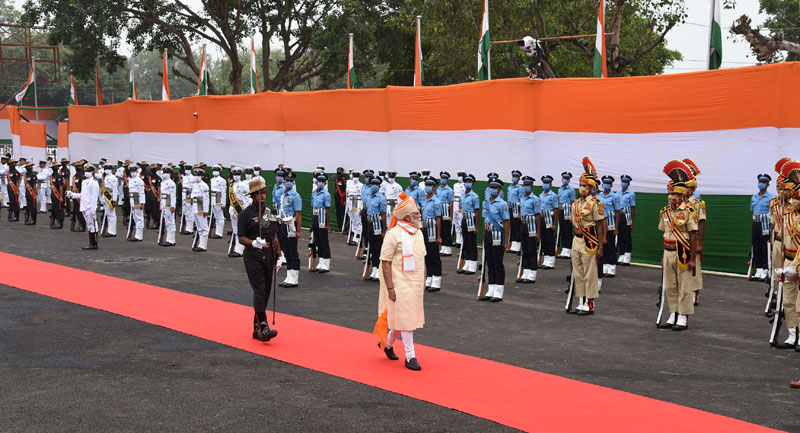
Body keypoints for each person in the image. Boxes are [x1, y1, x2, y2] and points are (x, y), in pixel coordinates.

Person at [378, 191, 426, 371]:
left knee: (404, 319)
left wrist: (424, 281)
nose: (419, 216)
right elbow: (385, 262)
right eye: (416, 213)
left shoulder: (418, 233)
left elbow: (422, 259)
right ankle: (410, 356)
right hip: (399, 284)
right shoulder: (393, 234)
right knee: (406, 320)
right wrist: (390, 288)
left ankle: (387, 344)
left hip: (415, 283)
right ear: (407, 216)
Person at [238, 178, 281, 342]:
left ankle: (257, 329)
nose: (263, 195)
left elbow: (274, 234)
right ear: (252, 196)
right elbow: (241, 237)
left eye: (264, 193)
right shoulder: (245, 214)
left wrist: (280, 254)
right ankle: (263, 326)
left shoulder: (270, 212)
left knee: (266, 291)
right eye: (259, 193)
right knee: (260, 290)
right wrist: (253, 243)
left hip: (269, 254)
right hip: (253, 255)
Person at [658, 160, 699, 331]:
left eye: (675, 193)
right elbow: (663, 233)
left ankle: (683, 315)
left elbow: (693, 236)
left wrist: (693, 258)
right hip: (668, 252)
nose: (672, 196)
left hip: (682, 252)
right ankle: (673, 313)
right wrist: (663, 256)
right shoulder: (665, 212)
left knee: (684, 286)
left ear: (682, 195)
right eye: (670, 193)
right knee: (670, 285)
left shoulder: (689, 212)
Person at [570, 158, 605, 316]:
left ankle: (590, 303)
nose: (582, 188)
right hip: (576, 240)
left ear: (591, 188)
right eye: (581, 185)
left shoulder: (596, 203)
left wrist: (601, 246)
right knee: (578, 273)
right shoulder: (576, 204)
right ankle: (581, 301)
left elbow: (599, 226)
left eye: (585, 186)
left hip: (589, 240)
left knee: (589, 274)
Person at [480, 176, 511, 302]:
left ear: (499, 190)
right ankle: (491, 289)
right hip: (488, 234)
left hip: (498, 235)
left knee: (498, 264)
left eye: (495, 187)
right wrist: (483, 237)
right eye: (491, 187)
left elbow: (507, 223)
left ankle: (498, 292)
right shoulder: (485, 202)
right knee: (490, 264)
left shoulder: (502, 204)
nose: (492, 189)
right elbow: (484, 220)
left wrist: (507, 241)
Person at [683, 159, 706, 306]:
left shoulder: (698, 203)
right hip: (680, 239)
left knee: (694, 267)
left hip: (693, 238)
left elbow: (702, 223)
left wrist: (699, 243)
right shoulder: (678, 202)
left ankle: (694, 294)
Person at [67, 163, 101, 250]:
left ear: (92, 172)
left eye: (88, 171)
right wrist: (73, 194)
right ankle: (91, 243)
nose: (86, 172)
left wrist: (93, 209)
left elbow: (94, 197)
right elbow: (83, 195)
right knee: (89, 225)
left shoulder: (94, 183)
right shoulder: (84, 182)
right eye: (85, 171)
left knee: (92, 225)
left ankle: (94, 243)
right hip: (84, 206)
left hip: (90, 207)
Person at [277, 171, 302, 288]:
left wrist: (298, 230)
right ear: (284, 181)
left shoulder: (295, 196)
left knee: (292, 251)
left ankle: (294, 278)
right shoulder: (283, 195)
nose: (289, 183)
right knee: (286, 251)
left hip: (291, 225)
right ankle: (289, 276)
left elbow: (298, 214)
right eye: (287, 180)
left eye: (291, 181)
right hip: (282, 225)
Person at [751, 174, 775, 282]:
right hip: (756, 223)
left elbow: (773, 214)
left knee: (765, 247)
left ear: (768, 184)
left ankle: (765, 271)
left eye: (764, 182)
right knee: (756, 246)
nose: (761, 183)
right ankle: (758, 270)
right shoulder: (754, 197)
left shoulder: (771, 198)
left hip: (765, 224)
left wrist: (771, 229)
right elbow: (752, 211)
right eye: (760, 181)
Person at [518, 176, 541, 283]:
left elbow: (537, 216)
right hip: (523, 224)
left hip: (531, 225)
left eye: (528, 185)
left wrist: (538, 231)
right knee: (525, 249)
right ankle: (525, 272)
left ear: (531, 186)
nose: (526, 187)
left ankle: (532, 274)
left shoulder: (535, 199)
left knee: (532, 250)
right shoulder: (522, 198)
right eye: (525, 185)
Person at [365, 176, 388, 281]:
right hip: (370, 223)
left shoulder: (381, 198)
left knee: (378, 248)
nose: (374, 186)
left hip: (377, 224)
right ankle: (374, 269)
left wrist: (384, 230)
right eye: (372, 184)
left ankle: (379, 271)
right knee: (372, 248)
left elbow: (383, 215)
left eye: (376, 184)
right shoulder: (369, 197)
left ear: (379, 186)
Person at [598, 176, 621, 280]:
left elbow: (617, 212)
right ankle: (605, 266)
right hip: (600, 223)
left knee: (611, 246)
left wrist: (616, 228)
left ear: (611, 185)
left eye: (608, 183)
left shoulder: (614, 196)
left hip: (611, 224)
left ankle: (611, 268)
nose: (606, 185)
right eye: (604, 183)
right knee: (603, 246)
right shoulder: (599, 196)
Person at [458, 174, 480, 275]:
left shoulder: (475, 196)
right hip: (464, 219)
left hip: (471, 220)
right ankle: (467, 262)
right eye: (466, 181)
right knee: (465, 242)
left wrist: (476, 226)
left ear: (473, 184)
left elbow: (477, 212)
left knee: (472, 243)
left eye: (469, 182)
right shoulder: (462, 195)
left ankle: (473, 265)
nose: (467, 183)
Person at [311, 173, 332, 273]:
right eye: (319, 180)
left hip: (322, 218)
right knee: (318, 241)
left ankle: (326, 264)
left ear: (325, 183)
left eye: (322, 181)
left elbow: (328, 210)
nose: (320, 183)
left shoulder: (326, 194)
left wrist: (328, 224)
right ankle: (321, 261)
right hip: (315, 217)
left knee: (324, 241)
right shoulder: (314, 193)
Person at [228, 167, 251, 257]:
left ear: (241, 175)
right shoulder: (231, 185)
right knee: (235, 230)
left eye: (238, 174)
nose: (236, 176)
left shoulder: (243, 185)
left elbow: (247, 199)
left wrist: (245, 211)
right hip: (233, 210)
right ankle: (237, 248)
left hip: (240, 209)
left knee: (241, 230)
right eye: (235, 174)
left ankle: (239, 250)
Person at [539, 175, 558, 269]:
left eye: (547, 183)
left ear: (551, 184)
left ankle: (551, 261)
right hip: (542, 217)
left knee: (550, 239)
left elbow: (556, 209)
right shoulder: (541, 195)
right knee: (543, 239)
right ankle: (546, 259)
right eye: (544, 183)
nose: (545, 184)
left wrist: (554, 223)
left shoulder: (553, 195)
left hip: (549, 218)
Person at [616, 174, 635, 265]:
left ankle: (627, 257)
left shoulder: (631, 194)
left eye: (626, 182)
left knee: (626, 236)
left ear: (629, 183)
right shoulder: (618, 193)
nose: (624, 183)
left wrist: (632, 222)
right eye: (622, 181)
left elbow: (633, 208)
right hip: (619, 215)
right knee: (619, 236)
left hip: (627, 216)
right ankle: (621, 255)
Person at [191, 165, 210, 252]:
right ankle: (200, 244)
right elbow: (192, 197)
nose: (196, 177)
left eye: (198, 175)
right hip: (195, 206)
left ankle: (203, 245)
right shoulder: (194, 185)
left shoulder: (204, 186)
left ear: (202, 176)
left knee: (203, 227)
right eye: (195, 175)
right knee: (198, 227)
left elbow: (206, 199)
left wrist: (206, 210)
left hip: (201, 205)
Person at [557, 172, 576, 259]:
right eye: (564, 178)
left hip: (568, 210)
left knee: (568, 230)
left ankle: (568, 250)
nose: (565, 180)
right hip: (561, 209)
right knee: (562, 230)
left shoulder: (571, 190)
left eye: (567, 179)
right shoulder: (560, 189)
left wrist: (572, 215)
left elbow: (573, 202)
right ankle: (564, 249)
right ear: (562, 179)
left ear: (569, 180)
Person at [437, 171, 455, 257]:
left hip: (446, 210)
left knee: (447, 229)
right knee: (441, 229)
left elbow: (451, 203)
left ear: (447, 180)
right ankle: (443, 246)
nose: (442, 179)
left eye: (444, 178)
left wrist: (451, 215)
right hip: (439, 210)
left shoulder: (450, 190)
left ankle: (448, 248)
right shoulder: (438, 189)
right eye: (442, 178)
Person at [159, 166, 177, 246]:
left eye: (167, 172)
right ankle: (168, 239)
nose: (165, 174)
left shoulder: (171, 183)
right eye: (164, 172)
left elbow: (173, 195)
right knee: (167, 222)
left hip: (169, 203)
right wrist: (161, 205)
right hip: (164, 203)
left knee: (170, 222)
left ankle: (171, 240)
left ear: (170, 173)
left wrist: (173, 206)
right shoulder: (163, 182)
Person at [127, 163, 146, 242]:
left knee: (139, 217)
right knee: (135, 217)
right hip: (132, 199)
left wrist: (142, 203)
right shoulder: (130, 180)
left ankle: (139, 236)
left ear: (137, 171)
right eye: (131, 171)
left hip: (137, 199)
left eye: (134, 171)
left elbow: (142, 192)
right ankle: (136, 234)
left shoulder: (139, 180)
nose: (132, 173)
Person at [346, 170, 363, 245]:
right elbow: (348, 195)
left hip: (356, 201)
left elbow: (362, 197)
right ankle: (354, 236)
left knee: (357, 220)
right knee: (353, 220)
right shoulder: (349, 184)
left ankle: (357, 238)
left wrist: (361, 208)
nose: (355, 178)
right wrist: (347, 205)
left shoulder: (361, 185)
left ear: (359, 177)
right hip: (350, 202)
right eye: (354, 176)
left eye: (356, 176)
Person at [507, 170, 523, 253]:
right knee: (512, 226)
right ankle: (513, 244)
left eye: (516, 177)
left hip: (517, 208)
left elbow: (522, 200)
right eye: (513, 176)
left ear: (519, 178)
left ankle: (518, 244)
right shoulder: (509, 187)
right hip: (510, 207)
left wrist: (521, 212)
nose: (514, 178)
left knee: (517, 226)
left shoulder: (520, 188)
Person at [210, 165, 227, 239]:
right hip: (213, 198)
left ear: (220, 171)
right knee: (216, 216)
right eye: (214, 170)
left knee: (220, 216)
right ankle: (216, 232)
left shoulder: (222, 180)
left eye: (217, 170)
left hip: (218, 197)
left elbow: (223, 192)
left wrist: (223, 203)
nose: (215, 172)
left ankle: (219, 233)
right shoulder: (212, 180)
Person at [69, 160, 87, 232]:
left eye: (79, 166)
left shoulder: (83, 177)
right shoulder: (75, 176)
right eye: (76, 166)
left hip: (81, 196)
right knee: (76, 211)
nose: (77, 167)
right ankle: (80, 224)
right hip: (75, 196)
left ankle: (82, 226)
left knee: (81, 212)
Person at [49, 161, 66, 229]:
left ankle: (60, 222)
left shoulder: (59, 176)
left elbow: (61, 187)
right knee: (54, 208)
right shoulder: (52, 175)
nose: (55, 168)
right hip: (53, 194)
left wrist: (61, 196)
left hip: (58, 195)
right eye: (54, 167)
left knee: (59, 209)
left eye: (56, 167)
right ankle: (55, 221)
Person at [452, 172, 466, 248]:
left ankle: (462, 240)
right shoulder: (455, 185)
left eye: (461, 175)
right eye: (459, 175)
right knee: (456, 223)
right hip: (455, 203)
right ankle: (458, 241)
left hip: (460, 204)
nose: (460, 177)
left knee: (460, 222)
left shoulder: (465, 185)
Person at [334, 167, 347, 232]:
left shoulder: (343, 179)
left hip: (342, 197)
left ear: (342, 171)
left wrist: (344, 200)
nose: (338, 171)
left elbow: (345, 189)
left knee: (342, 212)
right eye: (338, 170)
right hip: (337, 197)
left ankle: (343, 227)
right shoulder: (336, 179)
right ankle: (339, 226)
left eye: (340, 170)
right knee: (338, 212)